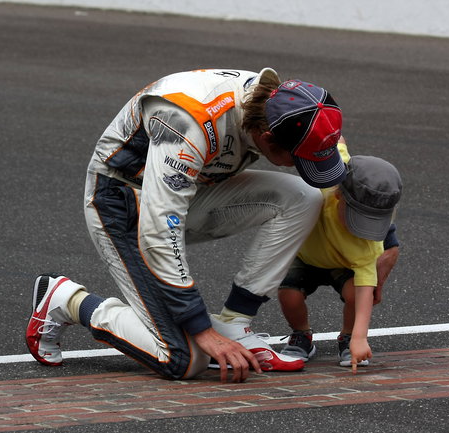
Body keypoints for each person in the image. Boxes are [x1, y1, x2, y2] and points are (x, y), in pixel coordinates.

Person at [25, 68, 349, 383]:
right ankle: (67, 300)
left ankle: (235, 322)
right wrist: (200, 329)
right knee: (184, 359)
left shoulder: (288, 107)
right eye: (299, 159)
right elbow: (159, 231)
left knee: (304, 196)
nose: (302, 165)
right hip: (123, 205)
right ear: (267, 139)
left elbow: (337, 171)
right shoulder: (188, 123)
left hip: (188, 191)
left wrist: (380, 243)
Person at [277, 154, 402, 373]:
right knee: (289, 294)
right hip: (306, 256)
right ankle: (301, 334)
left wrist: (360, 337)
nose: (362, 228)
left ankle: (347, 337)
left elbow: (365, 289)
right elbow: (335, 142)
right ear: (338, 195)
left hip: (342, 264)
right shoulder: (326, 181)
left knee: (356, 294)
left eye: (372, 221)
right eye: (358, 216)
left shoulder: (367, 244)